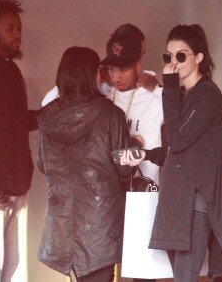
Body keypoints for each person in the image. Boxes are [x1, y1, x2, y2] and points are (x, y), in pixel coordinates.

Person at [121, 24, 222, 282]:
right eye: (168, 57)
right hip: (178, 200)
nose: (174, 63)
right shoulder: (183, 95)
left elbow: (179, 140)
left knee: (184, 277)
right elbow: (175, 148)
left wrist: (168, 89)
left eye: (181, 56)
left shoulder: (207, 94)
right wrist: (146, 155)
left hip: (195, 201)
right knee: (182, 275)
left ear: (199, 57)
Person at [36, 46, 134, 282]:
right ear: (90, 74)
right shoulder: (111, 114)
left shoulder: (47, 116)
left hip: (63, 219)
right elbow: (124, 167)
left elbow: (42, 163)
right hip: (101, 220)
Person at [100, 35, 164, 282]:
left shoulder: (153, 96)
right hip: (108, 193)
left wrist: (158, 87)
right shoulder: (104, 93)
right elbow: (52, 98)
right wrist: (96, 78)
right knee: (106, 265)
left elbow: (185, 107)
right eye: (111, 69)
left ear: (138, 64)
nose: (116, 76)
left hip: (142, 193)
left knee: (143, 271)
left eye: (123, 69)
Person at [0, 0, 38, 282]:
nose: (18, 33)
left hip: (14, 188)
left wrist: (52, 112)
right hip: (1, 191)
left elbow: (14, 124)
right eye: (10, 27)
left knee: (10, 266)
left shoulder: (10, 71)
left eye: (19, 27)